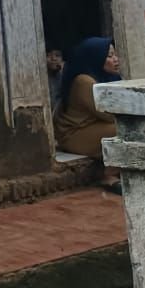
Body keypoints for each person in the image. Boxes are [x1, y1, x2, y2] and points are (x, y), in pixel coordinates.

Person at [54, 37, 123, 193]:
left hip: (94, 126)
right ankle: (109, 175)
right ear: (96, 58)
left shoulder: (108, 77)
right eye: (110, 56)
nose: (116, 59)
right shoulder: (84, 81)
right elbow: (108, 115)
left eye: (114, 55)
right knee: (127, 130)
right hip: (75, 134)